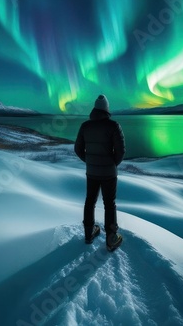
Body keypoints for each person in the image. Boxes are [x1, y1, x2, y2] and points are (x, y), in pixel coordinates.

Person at [74, 94, 125, 251]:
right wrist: (111, 164)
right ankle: (111, 239)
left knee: (90, 201)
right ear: (106, 109)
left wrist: (90, 162)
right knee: (109, 204)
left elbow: (77, 149)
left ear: (95, 109)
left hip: (92, 172)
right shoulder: (113, 125)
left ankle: (89, 234)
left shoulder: (85, 126)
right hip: (109, 173)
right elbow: (121, 151)